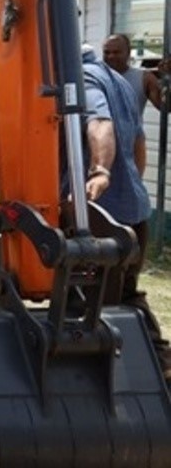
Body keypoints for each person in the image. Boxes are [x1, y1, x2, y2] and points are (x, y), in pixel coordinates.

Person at [76, 57, 171, 376]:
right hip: (132, 209)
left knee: (107, 303)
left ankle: (125, 380)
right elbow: (139, 142)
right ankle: (161, 360)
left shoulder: (84, 81)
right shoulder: (119, 82)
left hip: (106, 215)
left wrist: (101, 171)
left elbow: (100, 124)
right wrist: (131, 186)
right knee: (128, 294)